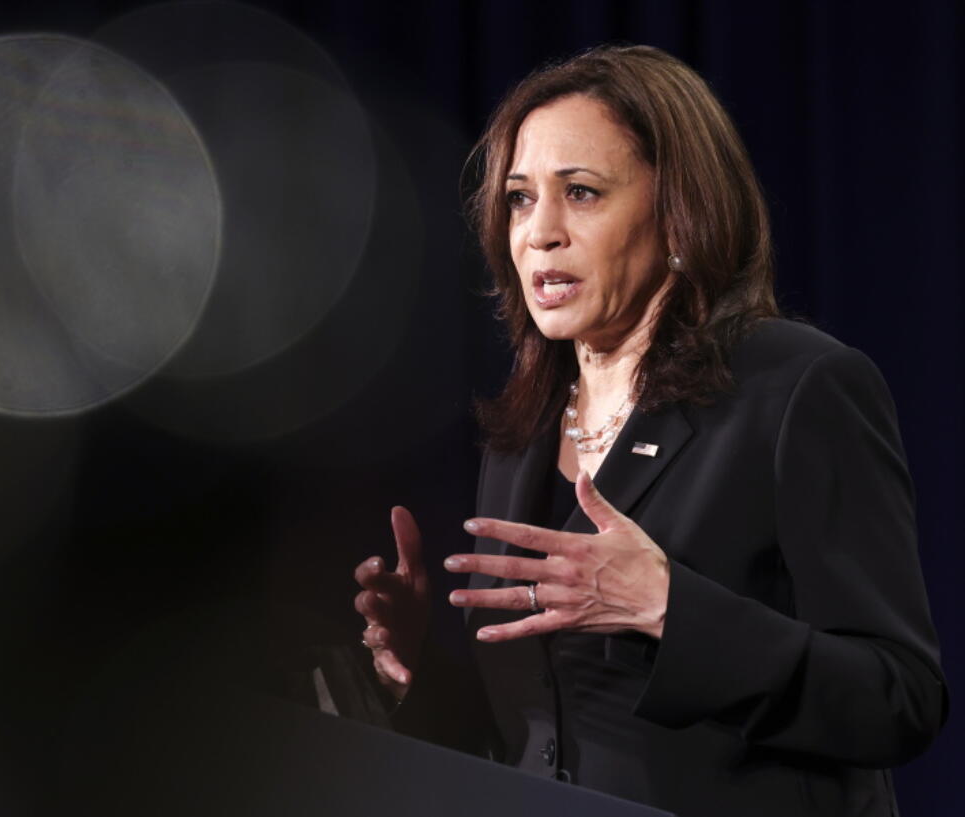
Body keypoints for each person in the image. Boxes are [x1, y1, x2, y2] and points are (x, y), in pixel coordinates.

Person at [353, 45, 946, 817]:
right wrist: (419, 668)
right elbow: (549, 736)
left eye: (583, 193)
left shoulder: (796, 387)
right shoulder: (525, 427)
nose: (540, 233)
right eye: (522, 198)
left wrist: (669, 605)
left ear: (677, 212)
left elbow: (899, 698)